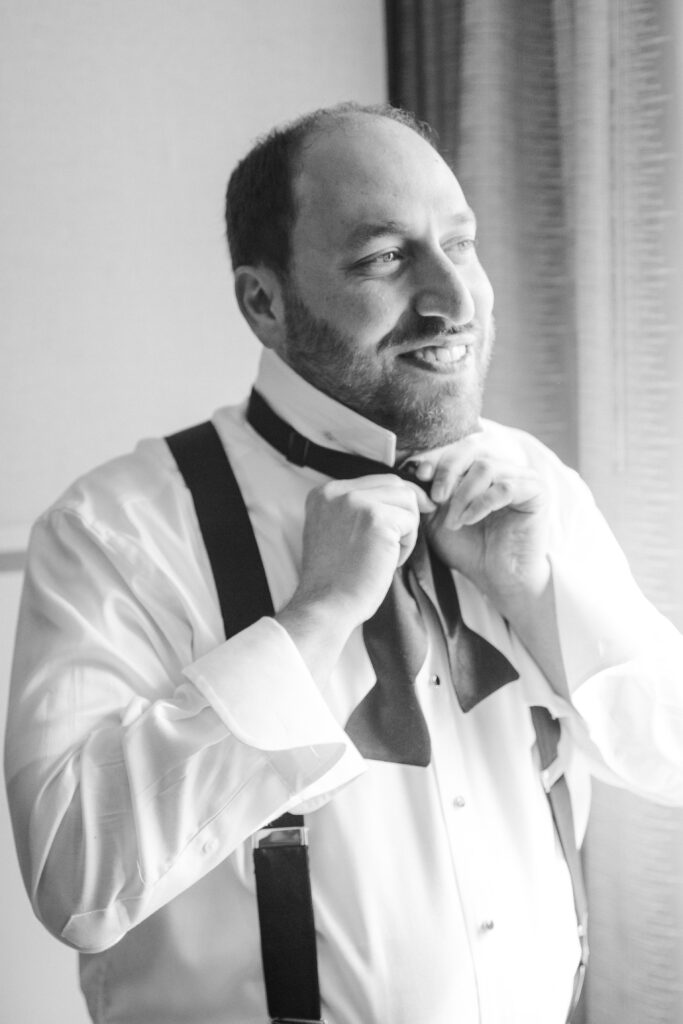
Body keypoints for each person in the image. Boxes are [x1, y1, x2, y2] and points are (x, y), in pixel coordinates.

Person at [5, 102, 683, 1024]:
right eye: (384, 259)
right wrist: (313, 619)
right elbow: (75, 879)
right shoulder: (116, 528)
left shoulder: (534, 486)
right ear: (263, 302)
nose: (457, 300)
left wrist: (537, 597)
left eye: (461, 243)